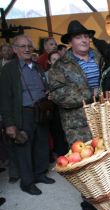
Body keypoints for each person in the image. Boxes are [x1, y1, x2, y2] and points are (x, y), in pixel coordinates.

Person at [48, 20, 109, 210]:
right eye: (78, 37)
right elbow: (57, 94)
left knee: (108, 162)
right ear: (70, 42)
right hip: (78, 125)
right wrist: (90, 94)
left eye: (86, 36)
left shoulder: (99, 57)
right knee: (86, 169)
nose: (83, 40)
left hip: (104, 119)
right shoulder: (61, 65)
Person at [0, 34, 55, 196]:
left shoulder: (37, 66)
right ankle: (27, 182)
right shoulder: (8, 69)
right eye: (22, 46)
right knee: (23, 149)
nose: (27, 49)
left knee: (41, 145)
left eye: (29, 46)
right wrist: (9, 124)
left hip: (41, 111)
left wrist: (47, 93)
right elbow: (4, 98)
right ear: (15, 50)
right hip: (22, 114)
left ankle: (39, 174)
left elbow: (43, 84)